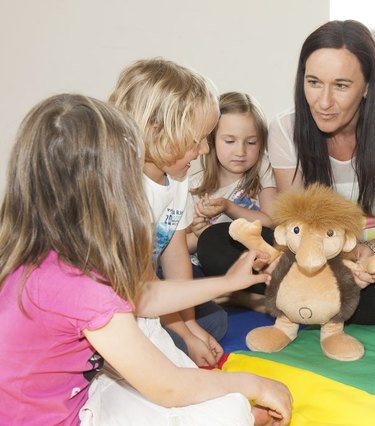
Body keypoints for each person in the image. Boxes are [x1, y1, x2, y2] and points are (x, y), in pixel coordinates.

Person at [0, 94, 292, 425]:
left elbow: (144, 297)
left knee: (221, 405)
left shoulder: (49, 253)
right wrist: (255, 384)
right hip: (63, 416)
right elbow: (168, 387)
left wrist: (227, 283)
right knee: (229, 410)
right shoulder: (77, 282)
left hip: (77, 394)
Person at [267, 19, 375, 325]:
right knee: (219, 243)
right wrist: (325, 265)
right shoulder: (284, 127)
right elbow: (295, 225)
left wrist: (366, 251)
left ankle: (303, 307)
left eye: (341, 86)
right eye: (313, 82)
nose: (323, 102)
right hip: (313, 253)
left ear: (368, 85)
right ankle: (312, 303)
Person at [108, 58, 226, 367]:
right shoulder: (126, 188)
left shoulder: (178, 177)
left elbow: (175, 254)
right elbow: (145, 289)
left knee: (215, 322)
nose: (204, 150)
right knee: (163, 346)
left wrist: (192, 324)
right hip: (125, 293)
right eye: (194, 140)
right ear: (155, 131)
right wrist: (185, 334)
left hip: (154, 282)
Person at [189, 92, 276, 284]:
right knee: (207, 246)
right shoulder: (196, 186)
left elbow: (270, 222)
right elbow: (179, 246)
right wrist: (200, 235)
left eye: (251, 142)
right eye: (229, 141)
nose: (241, 151)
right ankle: (233, 295)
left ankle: (235, 295)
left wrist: (229, 207)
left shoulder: (262, 167)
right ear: (211, 141)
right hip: (213, 264)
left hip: (255, 257)